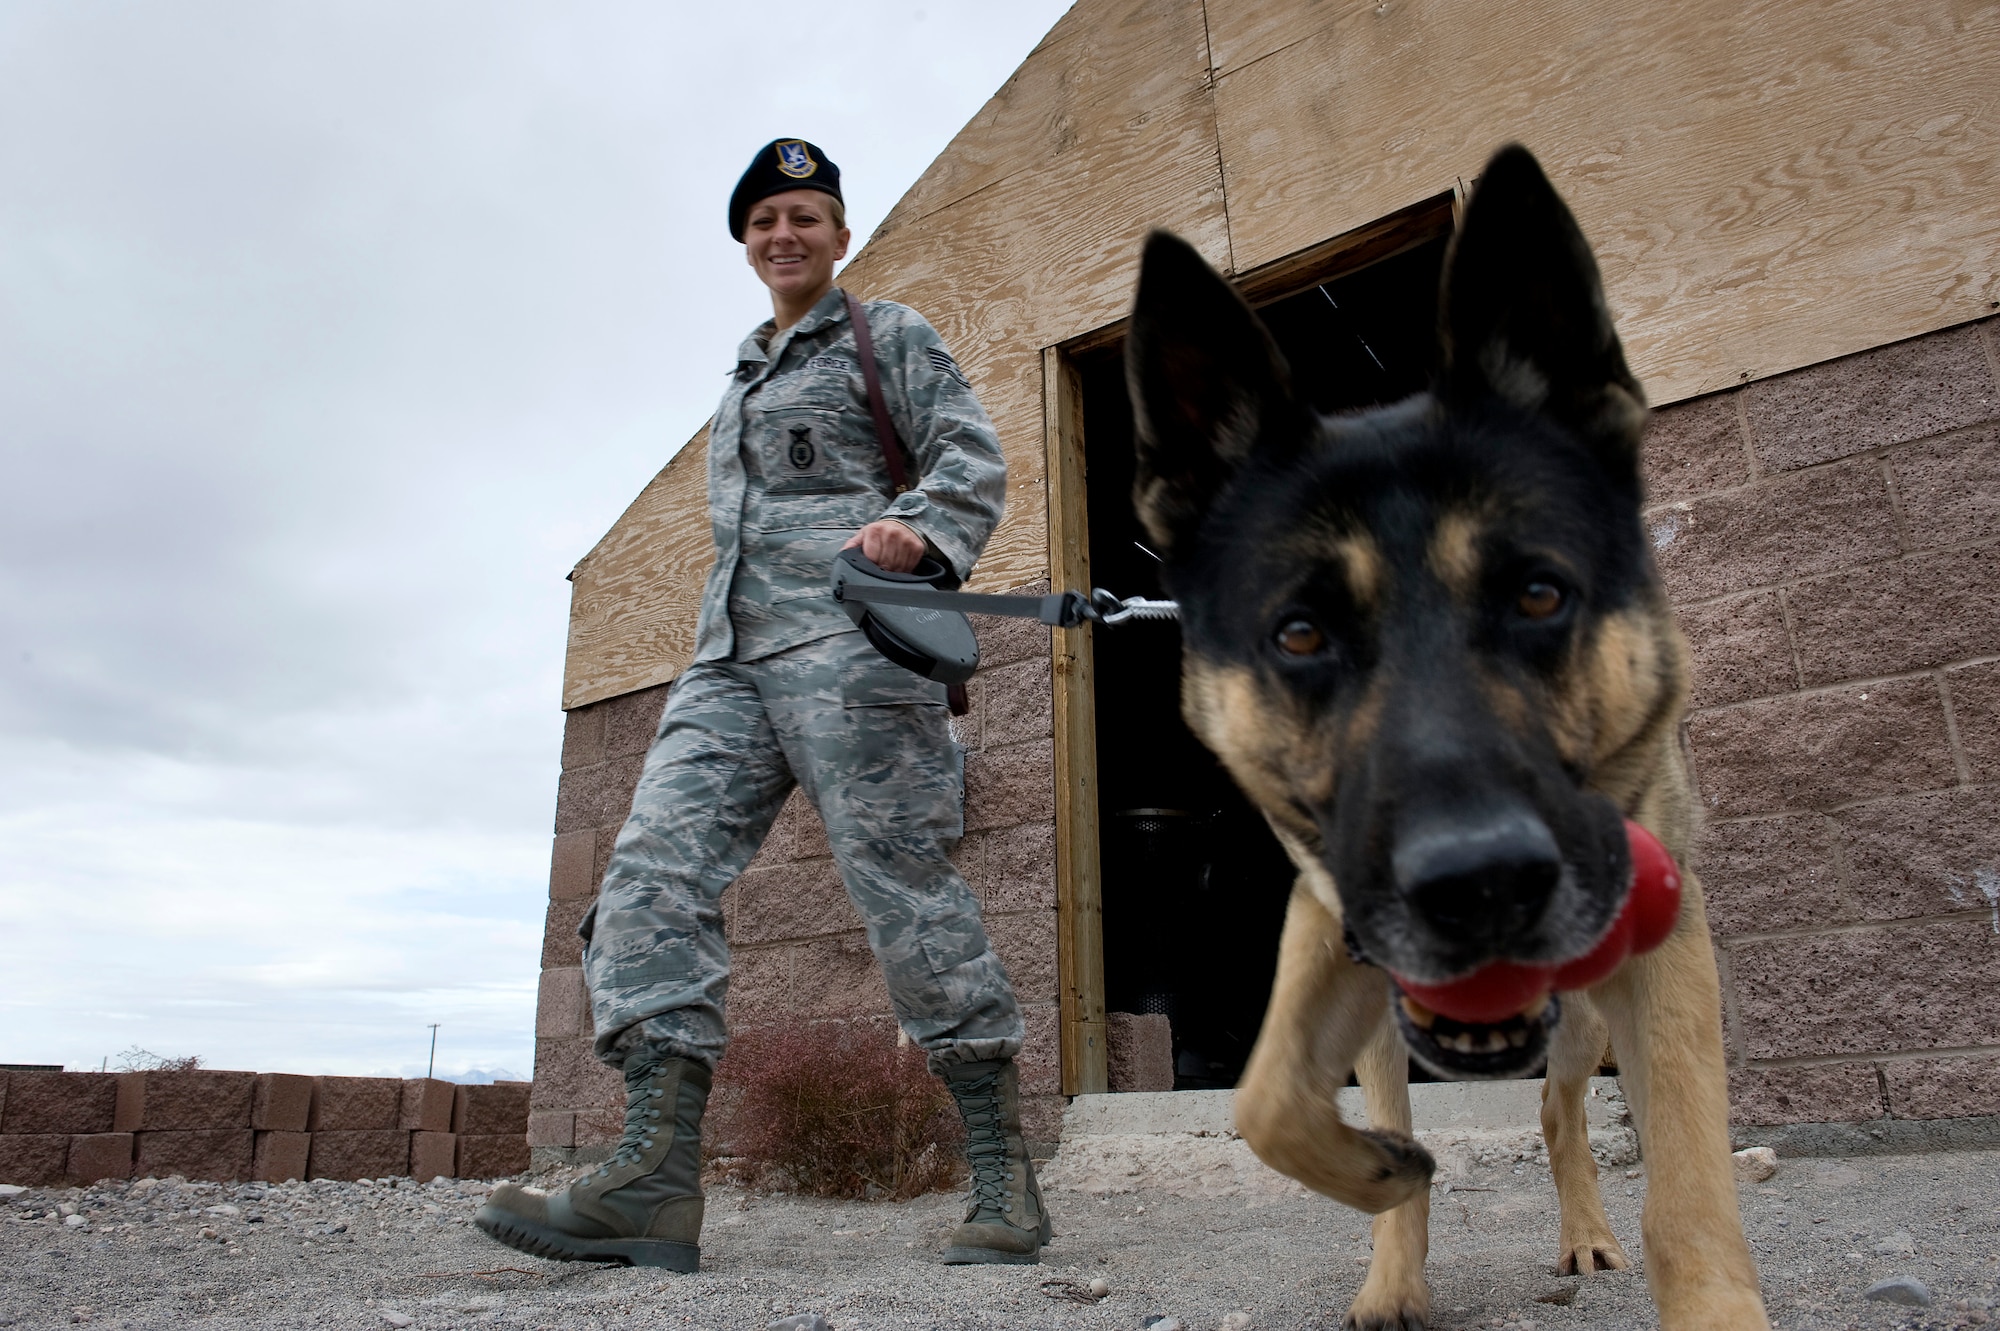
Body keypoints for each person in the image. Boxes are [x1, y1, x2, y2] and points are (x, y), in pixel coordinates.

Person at [476, 139, 1048, 1272]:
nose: (782, 235)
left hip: (853, 653)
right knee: (647, 872)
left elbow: (969, 459)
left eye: (803, 215)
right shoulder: (742, 372)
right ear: (744, 245)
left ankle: (999, 1172)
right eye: (761, 222)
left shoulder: (888, 336)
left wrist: (917, 526)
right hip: (726, 663)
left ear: (838, 233)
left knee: (905, 892)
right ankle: (651, 1178)